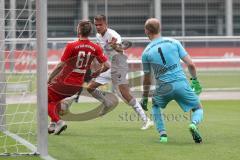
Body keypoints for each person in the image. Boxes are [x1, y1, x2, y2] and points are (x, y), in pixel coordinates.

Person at [140, 18, 203, 143]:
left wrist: (145, 98)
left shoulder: (146, 52)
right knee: (198, 108)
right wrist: (194, 80)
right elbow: (191, 64)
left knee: (156, 105)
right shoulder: (174, 42)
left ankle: (163, 135)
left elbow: (147, 79)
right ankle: (193, 124)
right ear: (160, 29)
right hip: (181, 84)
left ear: (146, 31)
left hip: (163, 88)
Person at [86, 15, 153, 130]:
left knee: (125, 94)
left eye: (100, 24)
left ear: (105, 24)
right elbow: (104, 55)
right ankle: (107, 103)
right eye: (96, 25)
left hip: (119, 66)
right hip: (109, 66)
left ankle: (146, 120)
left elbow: (121, 49)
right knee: (90, 88)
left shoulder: (113, 35)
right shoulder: (98, 36)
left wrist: (115, 46)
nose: (97, 27)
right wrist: (100, 69)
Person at [47, 20, 110, 135]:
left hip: (64, 81)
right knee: (54, 100)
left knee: (44, 98)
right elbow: (107, 65)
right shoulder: (95, 47)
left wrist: (50, 78)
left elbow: (60, 65)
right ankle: (52, 125)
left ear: (78, 30)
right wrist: (97, 73)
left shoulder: (72, 46)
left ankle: (58, 121)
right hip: (77, 85)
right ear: (90, 32)